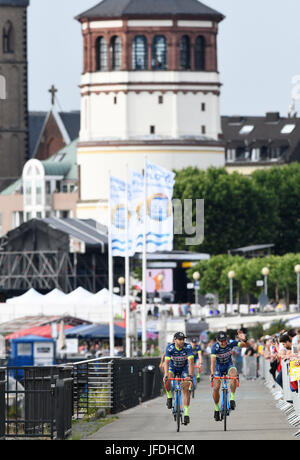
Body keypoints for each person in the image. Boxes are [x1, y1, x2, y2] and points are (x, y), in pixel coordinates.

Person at [210, 330, 250, 421]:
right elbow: (212, 363)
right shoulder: (214, 347)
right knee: (216, 388)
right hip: (218, 368)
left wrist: (245, 339)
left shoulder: (231, 343)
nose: (223, 342)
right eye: (221, 341)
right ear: (217, 340)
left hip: (229, 365)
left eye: (225, 340)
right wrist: (212, 374)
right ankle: (216, 409)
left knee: (234, 375)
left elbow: (247, 346)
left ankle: (232, 399)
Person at [163, 332, 194, 425]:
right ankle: (169, 396)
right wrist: (165, 375)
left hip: (184, 368)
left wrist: (190, 375)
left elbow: (191, 362)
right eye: (180, 339)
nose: (182, 341)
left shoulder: (188, 347)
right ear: (174, 340)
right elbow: (167, 363)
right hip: (173, 367)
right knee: (167, 379)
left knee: (185, 388)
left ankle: (186, 414)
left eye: (183, 339)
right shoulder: (170, 348)